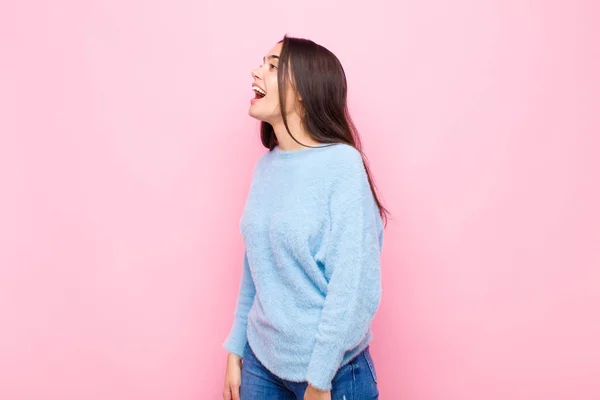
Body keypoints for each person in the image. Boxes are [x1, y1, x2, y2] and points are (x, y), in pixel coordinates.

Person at [222, 34, 388, 400]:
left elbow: (353, 287)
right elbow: (257, 268)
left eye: (272, 66)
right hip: (261, 364)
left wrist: (319, 379)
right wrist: (236, 349)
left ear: (303, 90)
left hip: (332, 374)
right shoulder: (265, 168)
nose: (256, 72)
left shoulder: (343, 166)